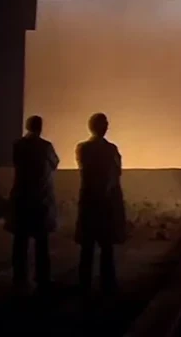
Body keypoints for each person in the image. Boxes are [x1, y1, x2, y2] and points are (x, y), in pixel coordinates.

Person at [5, 115, 60, 293]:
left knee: (20, 242)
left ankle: (19, 278)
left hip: (22, 198)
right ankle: (42, 277)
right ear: (40, 127)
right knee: (41, 242)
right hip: (40, 199)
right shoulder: (45, 147)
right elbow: (55, 163)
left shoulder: (18, 145)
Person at [75, 113, 126, 293]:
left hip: (90, 202)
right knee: (106, 246)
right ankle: (107, 283)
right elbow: (116, 173)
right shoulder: (111, 149)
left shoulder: (83, 148)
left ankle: (85, 283)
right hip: (105, 203)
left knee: (88, 248)